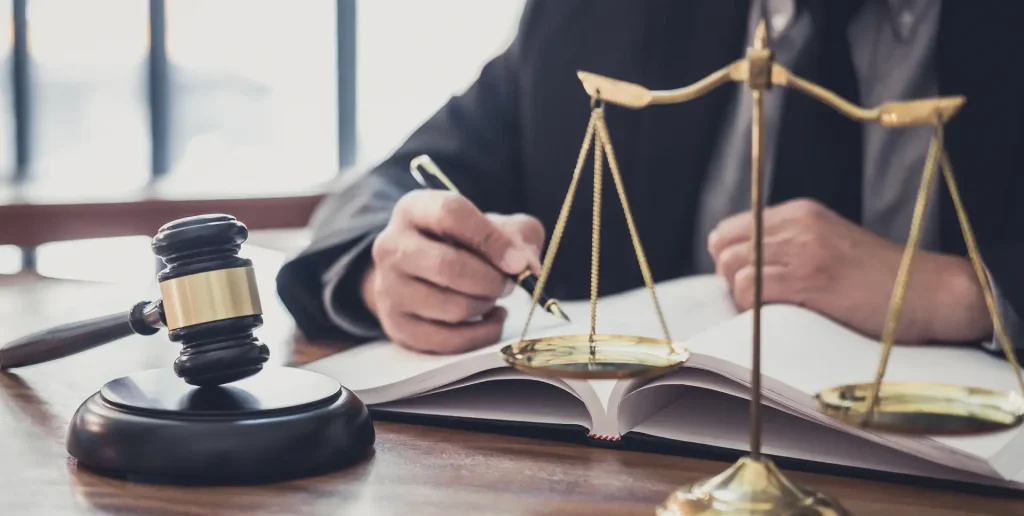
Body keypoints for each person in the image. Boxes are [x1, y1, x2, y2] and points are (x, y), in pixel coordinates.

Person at [277, 0, 1024, 356]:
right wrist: (393, 271)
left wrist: (965, 293)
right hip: (629, 495)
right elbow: (386, 189)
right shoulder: (596, 17)